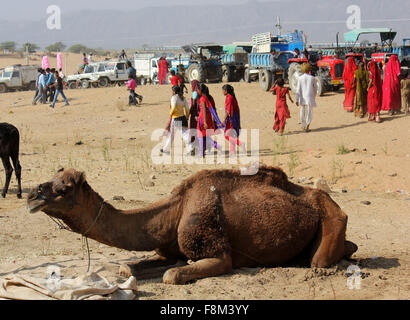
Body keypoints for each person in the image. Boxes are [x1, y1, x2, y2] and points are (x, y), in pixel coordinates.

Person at [161, 86, 192, 154]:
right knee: (184, 133)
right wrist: (187, 117)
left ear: (174, 91)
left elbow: (174, 107)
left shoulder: (174, 97)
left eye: (172, 91)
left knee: (174, 134)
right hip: (183, 118)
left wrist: (170, 113)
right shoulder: (183, 98)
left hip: (176, 118)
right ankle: (190, 149)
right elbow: (187, 109)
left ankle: (166, 149)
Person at [197, 84, 221, 157]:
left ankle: (202, 153)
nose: (197, 91)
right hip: (208, 117)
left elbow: (203, 109)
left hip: (203, 118)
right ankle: (216, 146)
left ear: (200, 90)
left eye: (197, 89)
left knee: (201, 135)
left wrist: (204, 121)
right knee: (206, 135)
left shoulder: (202, 99)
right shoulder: (208, 97)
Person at [222, 84, 245, 154]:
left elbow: (228, 111)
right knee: (232, 134)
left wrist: (224, 120)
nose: (222, 92)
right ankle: (232, 151)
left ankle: (240, 143)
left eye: (223, 90)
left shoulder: (229, 98)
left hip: (231, 119)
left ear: (226, 91)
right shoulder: (231, 97)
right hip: (234, 118)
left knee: (226, 135)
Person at [296, 63, 317, 132]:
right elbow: (315, 89)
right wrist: (314, 96)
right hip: (310, 96)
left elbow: (298, 89)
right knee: (309, 112)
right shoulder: (312, 78)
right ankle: (307, 126)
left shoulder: (300, 78)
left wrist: (297, 99)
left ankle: (303, 125)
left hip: (302, 97)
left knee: (302, 111)